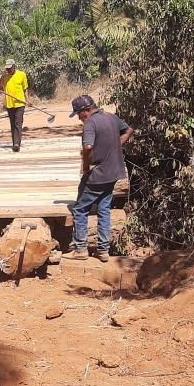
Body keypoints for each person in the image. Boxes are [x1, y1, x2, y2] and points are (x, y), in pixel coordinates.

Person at [67, 94, 133, 262]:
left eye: (79, 114)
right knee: (104, 209)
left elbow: (88, 147)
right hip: (114, 172)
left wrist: (85, 167)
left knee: (80, 209)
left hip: (98, 173)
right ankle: (103, 251)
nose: (79, 119)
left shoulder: (90, 123)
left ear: (86, 111)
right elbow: (129, 130)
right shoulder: (111, 117)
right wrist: (116, 145)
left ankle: (80, 249)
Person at [0, 59, 29, 152]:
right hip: (9, 104)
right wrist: (0, 79)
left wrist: (28, 100)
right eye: (7, 69)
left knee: (18, 123)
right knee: (12, 124)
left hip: (20, 103)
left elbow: (25, 89)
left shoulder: (21, 75)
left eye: (10, 68)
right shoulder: (4, 77)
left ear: (14, 66)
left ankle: (16, 144)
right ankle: (14, 142)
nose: (8, 70)